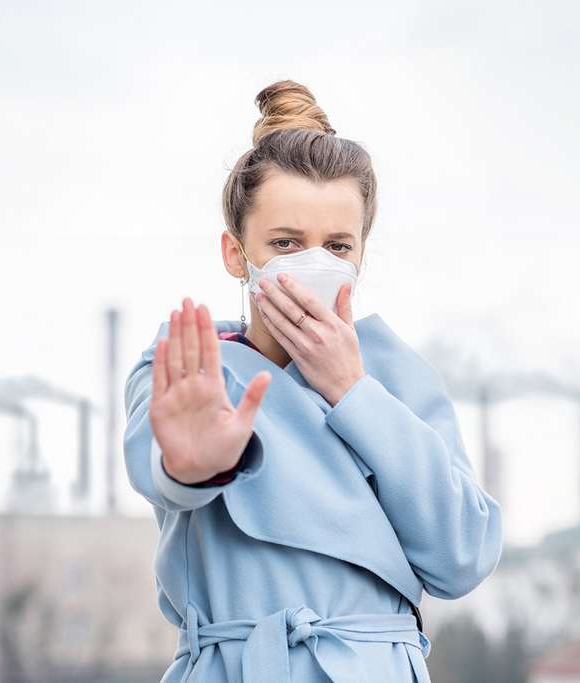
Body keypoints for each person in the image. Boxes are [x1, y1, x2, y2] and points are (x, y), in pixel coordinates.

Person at [123, 79, 504, 683]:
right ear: (235, 252)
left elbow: (462, 557)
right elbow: (159, 469)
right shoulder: (190, 364)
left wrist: (353, 392)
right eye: (285, 243)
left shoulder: (398, 378)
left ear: (361, 253)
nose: (312, 265)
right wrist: (196, 466)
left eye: (336, 245)